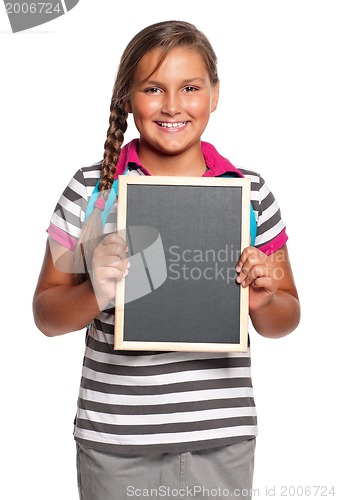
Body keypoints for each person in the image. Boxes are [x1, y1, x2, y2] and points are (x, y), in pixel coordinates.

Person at [33, 20, 300, 500]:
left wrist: (262, 300)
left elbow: (286, 316)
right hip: (116, 441)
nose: (173, 105)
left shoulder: (251, 192)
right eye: (153, 89)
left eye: (191, 88)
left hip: (221, 438)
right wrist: (96, 289)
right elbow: (47, 316)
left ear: (214, 95)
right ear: (127, 99)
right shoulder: (93, 191)